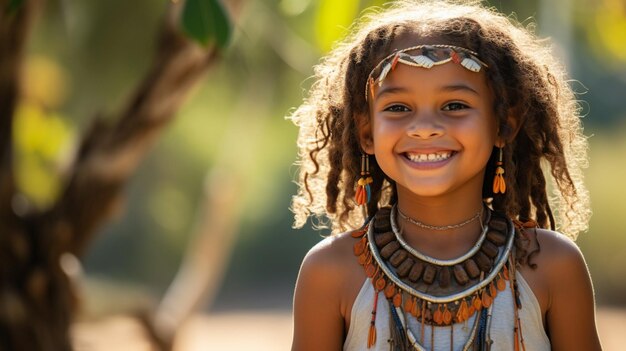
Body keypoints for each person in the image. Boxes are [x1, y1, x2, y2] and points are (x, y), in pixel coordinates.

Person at [289, 0, 602, 350]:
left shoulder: (552, 265)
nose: (424, 128)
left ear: (504, 124)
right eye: (398, 108)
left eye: (454, 106)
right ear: (366, 133)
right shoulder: (330, 271)